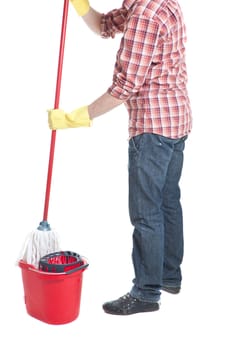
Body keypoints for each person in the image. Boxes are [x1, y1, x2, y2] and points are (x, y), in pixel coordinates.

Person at [48, 0, 192, 315]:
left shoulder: (144, 14)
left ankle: (146, 292)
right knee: (167, 203)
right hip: (176, 121)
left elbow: (124, 87)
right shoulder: (155, 4)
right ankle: (168, 276)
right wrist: (82, 6)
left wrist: (75, 117)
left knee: (146, 214)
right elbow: (105, 26)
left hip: (152, 129)